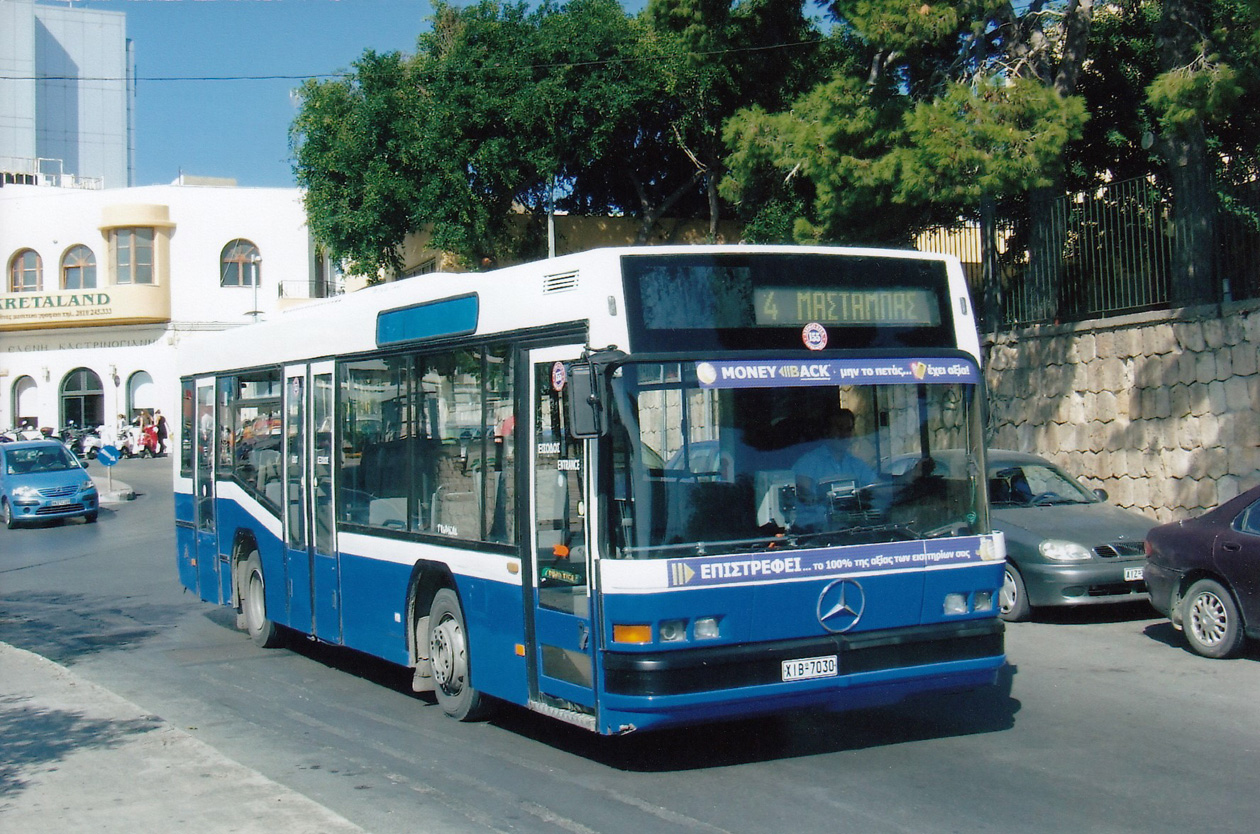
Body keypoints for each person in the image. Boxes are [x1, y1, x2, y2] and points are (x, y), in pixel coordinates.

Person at [791, 407, 878, 531]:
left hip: (851, 533)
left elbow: (881, 490)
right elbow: (803, 494)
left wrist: (909, 477)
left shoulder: (857, 465)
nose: (844, 435)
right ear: (827, 431)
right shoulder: (808, 462)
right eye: (839, 428)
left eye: (848, 430)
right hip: (812, 535)